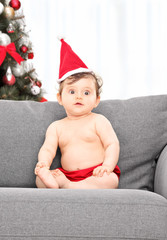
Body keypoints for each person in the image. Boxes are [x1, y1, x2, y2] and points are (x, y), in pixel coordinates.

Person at [34, 39, 120, 189]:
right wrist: (43, 164)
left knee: (110, 179)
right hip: (67, 174)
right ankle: (65, 184)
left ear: (96, 100)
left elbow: (112, 144)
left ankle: (69, 187)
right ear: (60, 98)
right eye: (72, 91)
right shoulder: (56, 127)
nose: (79, 96)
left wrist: (107, 166)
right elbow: (48, 149)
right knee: (40, 181)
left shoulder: (98, 121)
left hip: (96, 173)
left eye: (86, 92)